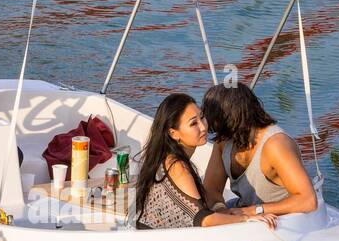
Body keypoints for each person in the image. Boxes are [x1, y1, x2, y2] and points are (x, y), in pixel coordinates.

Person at [133, 93, 279, 230]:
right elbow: (203, 219)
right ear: (174, 133)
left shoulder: (165, 157)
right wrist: (247, 218)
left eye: (202, 117)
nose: (203, 127)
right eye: (193, 124)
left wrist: (227, 211)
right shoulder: (177, 166)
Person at [201, 83, 318, 217]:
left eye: (217, 123)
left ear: (230, 119)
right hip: (244, 209)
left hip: (282, 218)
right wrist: (222, 210)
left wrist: (254, 211)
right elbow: (211, 190)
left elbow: (308, 200)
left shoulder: (276, 145)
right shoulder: (223, 141)